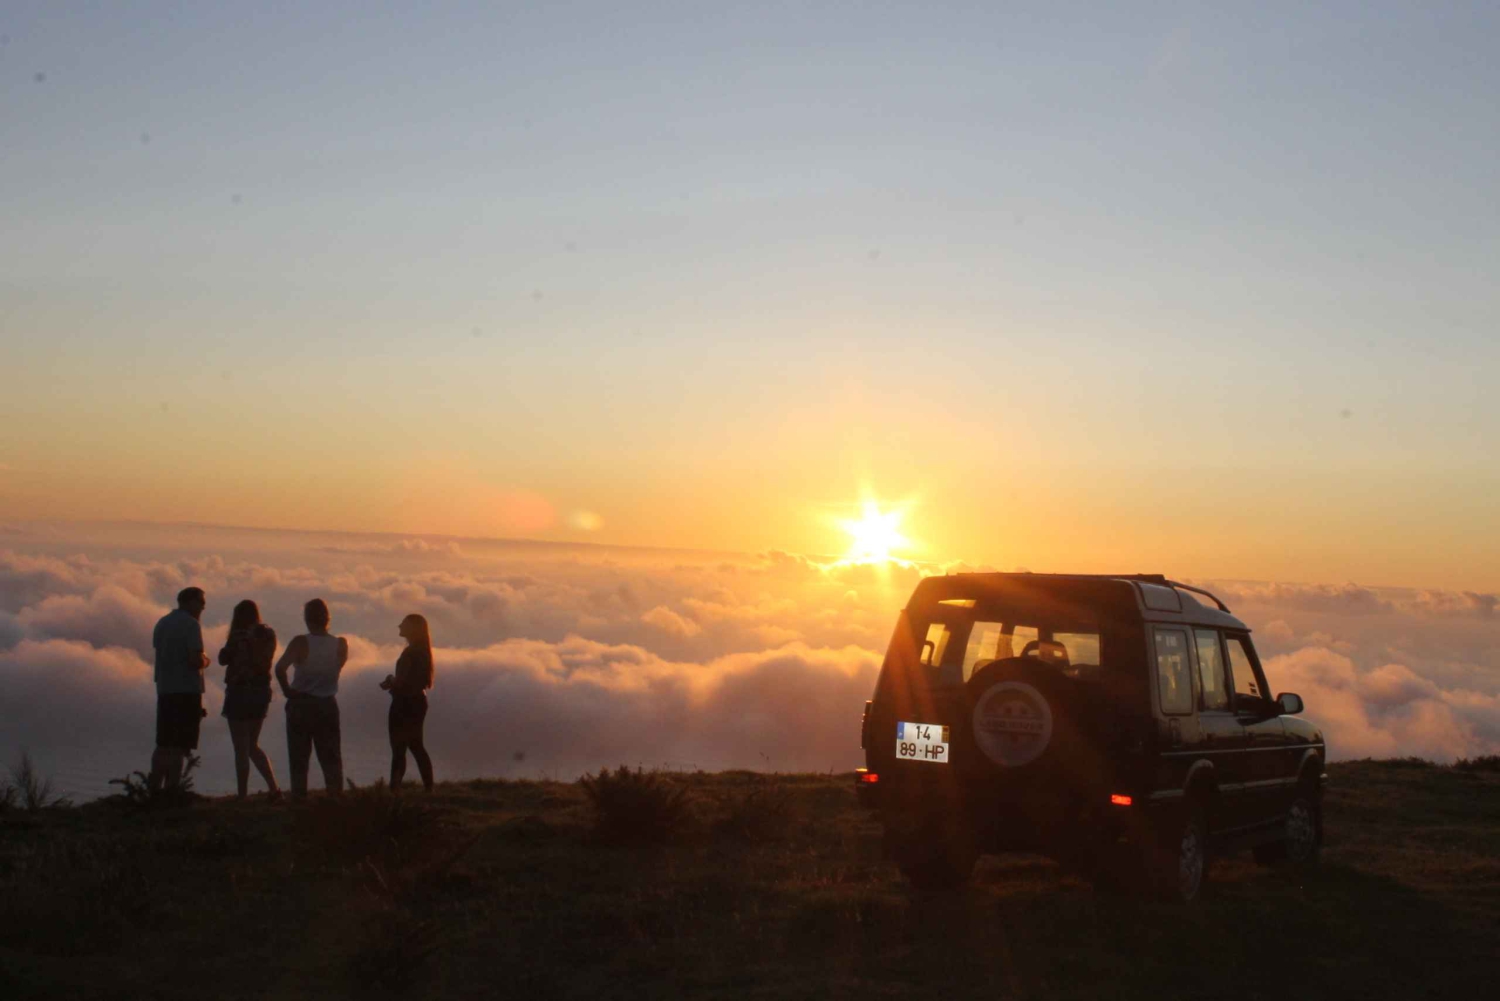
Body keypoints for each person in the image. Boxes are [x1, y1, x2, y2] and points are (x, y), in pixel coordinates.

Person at [273, 598, 348, 798]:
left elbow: (280, 668)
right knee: (331, 755)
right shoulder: (340, 644)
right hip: (328, 704)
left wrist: (287, 690)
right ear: (327, 618)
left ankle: (299, 796)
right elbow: (337, 668)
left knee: (299, 755)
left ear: (307, 619)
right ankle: (335, 796)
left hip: (301, 704)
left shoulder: (300, 642)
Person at [218, 599, 281, 800]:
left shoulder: (238, 636)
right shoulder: (269, 634)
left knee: (241, 748)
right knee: (253, 745)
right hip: (260, 692)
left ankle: (242, 794)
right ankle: (274, 788)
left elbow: (223, 659)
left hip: (239, 692)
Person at [150, 587, 209, 793]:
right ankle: (172, 790)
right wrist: (205, 660)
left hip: (165, 689)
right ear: (190, 602)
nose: (203, 606)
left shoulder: (162, 623)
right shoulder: (191, 625)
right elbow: (194, 660)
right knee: (180, 745)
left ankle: (153, 789)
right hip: (186, 691)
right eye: (201, 602)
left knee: (163, 743)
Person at [380, 613, 435, 793]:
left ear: (412, 628)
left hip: (403, 703)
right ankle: (429, 788)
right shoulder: (423, 652)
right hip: (418, 701)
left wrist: (390, 680)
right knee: (416, 745)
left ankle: (394, 789)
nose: (399, 626)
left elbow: (402, 681)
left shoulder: (410, 652)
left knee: (398, 748)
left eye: (403, 623)